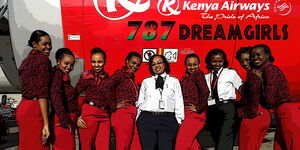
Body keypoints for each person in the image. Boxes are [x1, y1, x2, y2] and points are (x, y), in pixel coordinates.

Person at [250, 44, 300, 150]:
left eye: (258, 55)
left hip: (286, 111)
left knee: (290, 144)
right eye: (252, 56)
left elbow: (270, 99)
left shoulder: (269, 70)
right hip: (282, 111)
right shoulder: (267, 70)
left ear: (267, 55)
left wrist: (259, 81)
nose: (255, 58)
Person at [136, 55, 184, 150]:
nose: (156, 66)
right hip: (147, 119)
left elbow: (179, 100)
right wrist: (138, 118)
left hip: (167, 119)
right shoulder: (146, 81)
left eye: (159, 63)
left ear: (165, 64)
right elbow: (140, 101)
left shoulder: (174, 81)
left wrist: (178, 120)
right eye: (153, 64)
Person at [16, 30, 52, 150]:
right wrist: (46, 124)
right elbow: (42, 93)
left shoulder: (26, 61)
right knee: (40, 146)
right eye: (45, 44)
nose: (48, 47)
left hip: (23, 107)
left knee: (26, 146)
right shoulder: (43, 60)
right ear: (34, 44)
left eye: (49, 44)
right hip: (35, 109)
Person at [101, 52, 142, 150]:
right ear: (127, 61)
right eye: (133, 63)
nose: (135, 66)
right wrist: (113, 105)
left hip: (131, 113)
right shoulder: (121, 73)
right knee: (123, 146)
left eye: (137, 65)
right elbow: (104, 87)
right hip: (123, 113)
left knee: (135, 146)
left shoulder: (131, 77)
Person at [76, 47, 115, 150]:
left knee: (104, 147)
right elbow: (74, 96)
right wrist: (77, 116)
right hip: (89, 113)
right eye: (93, 62)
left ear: (105, 62)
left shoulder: (108, 78)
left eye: (99, 62)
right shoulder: (86, 76)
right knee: (86, 147)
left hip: (104, 116)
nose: (96, 65)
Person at [204, 49, 242, 150]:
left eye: (220, 61)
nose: (217, 64)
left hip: (227, 108)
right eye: (214, 61)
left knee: (225, 138)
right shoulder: (207, 76)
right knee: (216, 138)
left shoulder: (231, 73)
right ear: (209, 61)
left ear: (224, 61)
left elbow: (242, 88)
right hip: (213, 109)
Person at [235, 47, 271, 150]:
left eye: (247, 60)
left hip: (253, 116)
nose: (244, 63)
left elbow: (253, 95)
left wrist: (248, 111)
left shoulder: (252, 74)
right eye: (241, 61)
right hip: (265, 115)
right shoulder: (263, 72)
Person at [175, 54, 209, 150]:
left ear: (199, 65)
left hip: (195, 115)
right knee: (192, 144)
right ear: (185, 65)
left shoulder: (198, 75)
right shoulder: (185, 77)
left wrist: (198, 108)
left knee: (181, 144)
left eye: (195, 64)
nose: (192, 67)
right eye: (189, 65)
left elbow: (205, 91)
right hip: (187, 113)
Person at [50, 48, 77, 150]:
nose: (69, 67)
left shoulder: (62, 76)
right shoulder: (57, 75)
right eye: (66, 63)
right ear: (58, 61)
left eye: (72, 64)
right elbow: (56, 98)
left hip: (64, 119)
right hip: (61, 120)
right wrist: (64, 121)